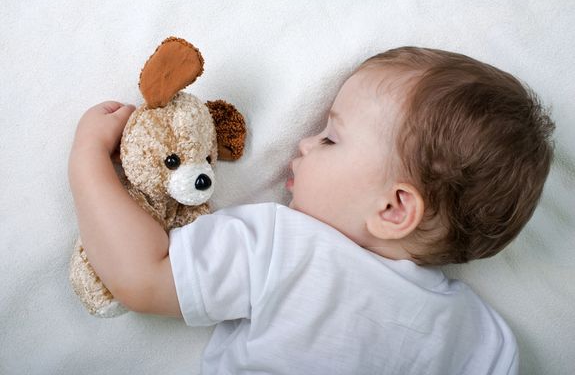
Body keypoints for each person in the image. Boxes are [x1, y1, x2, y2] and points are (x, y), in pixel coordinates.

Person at [69, 46, 555, 374]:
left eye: (330, 137)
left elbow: (141, 277)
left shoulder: (283, 247)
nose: (302, 144)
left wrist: (88, 161)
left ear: (393, 208)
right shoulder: (480, 337)